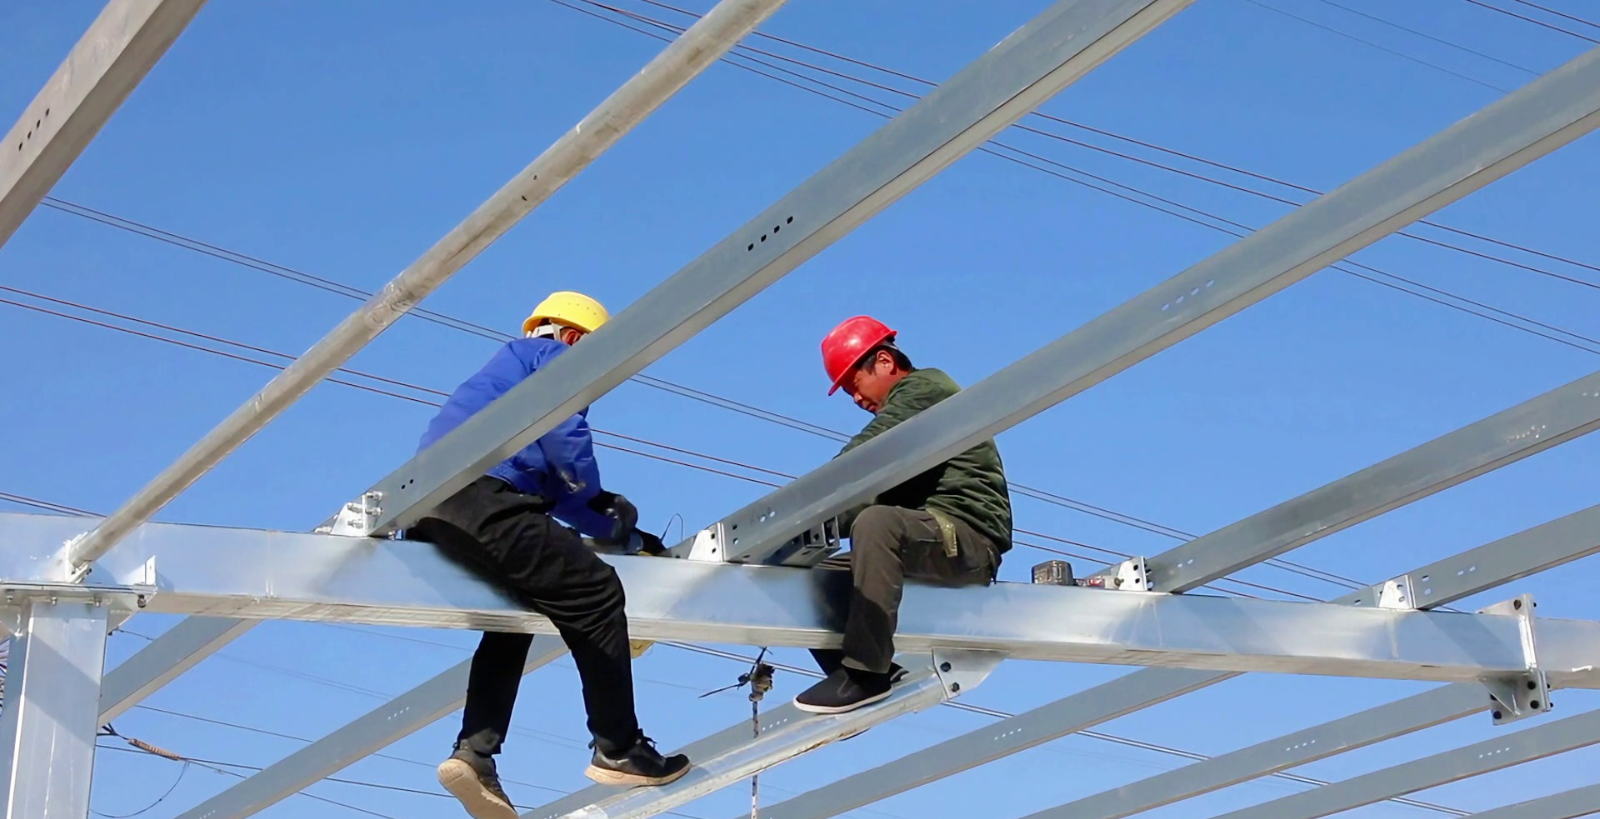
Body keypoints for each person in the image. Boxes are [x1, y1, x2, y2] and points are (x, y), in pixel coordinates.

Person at [408, 291, 690, 819]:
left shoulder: (504, 379)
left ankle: (474, 754)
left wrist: (626, 534)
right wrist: (600, 498)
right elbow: (567, 443)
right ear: (576, 339)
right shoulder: (553, 356)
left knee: (520, 612)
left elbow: (559, 496)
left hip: (433, 505)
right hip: (483, 497)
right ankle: (619, 746)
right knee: (598, 591)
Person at [793, 316, 1013, 715]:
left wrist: (802, 511)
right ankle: (862, 676)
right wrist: (799, 534)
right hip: (925, 536)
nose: (855, 399)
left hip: (967, 537)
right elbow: (866, 493)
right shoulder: (908, 435)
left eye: (854, 384)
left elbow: (869, 457)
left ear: (884, 361)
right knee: (814, 577)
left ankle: (866, 673)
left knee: (877, 523)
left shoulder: (926, 389)